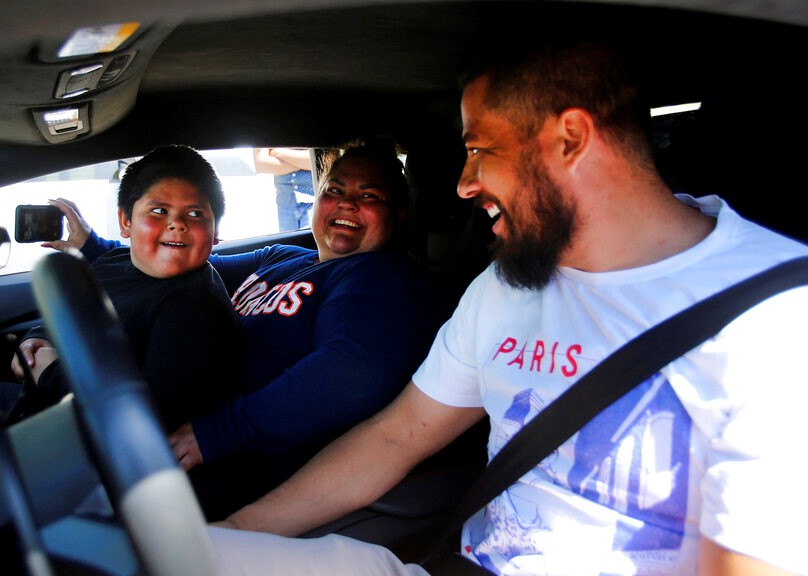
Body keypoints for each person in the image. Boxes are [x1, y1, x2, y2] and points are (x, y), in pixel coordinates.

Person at [203, 36, 808, 576]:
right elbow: (397, 437)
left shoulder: (776, 317)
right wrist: (235, 535)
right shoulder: (505, 286)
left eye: (479, 150)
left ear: (569, 139)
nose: (464, 184)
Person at [48, 138, 452, 521]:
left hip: (248, 461)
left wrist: (220, 432)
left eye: (369, 196)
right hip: (178, 418)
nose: (346, 204)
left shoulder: (385, 278)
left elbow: (347, 373)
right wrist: (93, 246)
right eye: (335, 189)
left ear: (398, 216)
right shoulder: (285, 258)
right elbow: (184, 261)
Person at [11, 144, 241, 433]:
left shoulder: (195, 306)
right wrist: (38, 338)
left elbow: (145, 415)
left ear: (215, 231)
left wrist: (48, 372)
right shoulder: (114, 261)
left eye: (195, 214)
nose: (177, 224)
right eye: (159, 210)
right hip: (49, 419)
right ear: (126, 221)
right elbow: (72, 312)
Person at [253, 147, 315, 231]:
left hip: (313, 202)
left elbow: (317, 159)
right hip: (285, 204)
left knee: (310, 242)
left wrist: (277, 152)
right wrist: (302, 162)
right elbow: (261, 164)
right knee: (287, 241)